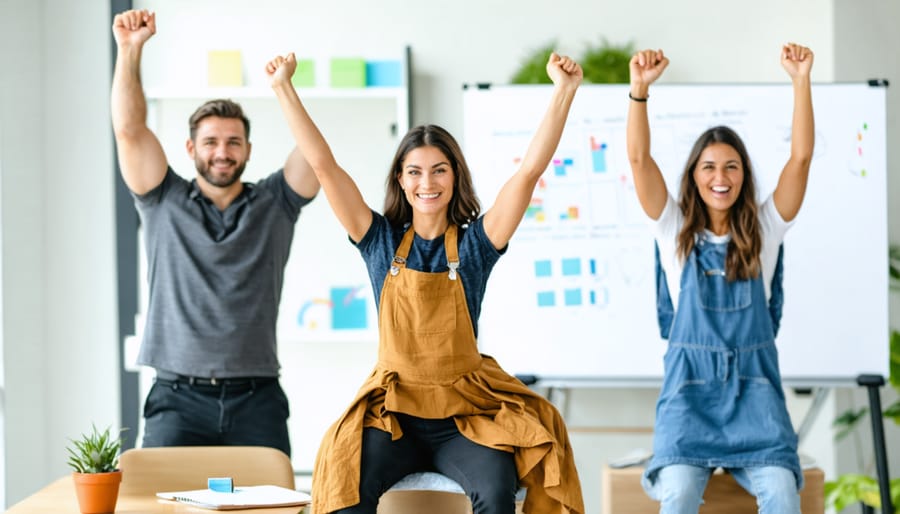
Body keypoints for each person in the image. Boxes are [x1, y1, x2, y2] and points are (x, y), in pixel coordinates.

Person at [267, 51, 585, 514]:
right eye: (415, 171)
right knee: (343, 483)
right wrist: (283, 88)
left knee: (496, 492)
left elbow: (528, 172)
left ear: (455, 177)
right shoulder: (378, 242)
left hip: (466, 417)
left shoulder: (476, 246)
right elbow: (324, 168)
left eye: (439, 170)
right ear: (401, 179)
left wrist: (564, 91)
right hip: (393, 415)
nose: (427, 182)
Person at [111, 9, 320, 457]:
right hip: (176, 398)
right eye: (210, 142)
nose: (221, 152)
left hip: (257, 398)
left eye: (233, 142)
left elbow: (317, 157)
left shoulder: (275, 202)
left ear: (247, 149)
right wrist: (130, 52)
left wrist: (283, 88)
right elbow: (128, 132)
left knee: (275, 507)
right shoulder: (162, 198)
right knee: (159, 508)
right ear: (191, 149)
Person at [625, 44, 814, 514]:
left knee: (782, 494)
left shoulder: (766, 231)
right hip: (689, 403)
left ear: (744, 174)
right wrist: (640, 92)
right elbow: (638, 160)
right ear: (693, 175)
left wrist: (801, 80)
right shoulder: (672, 230)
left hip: (756, 401)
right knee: (680, 494)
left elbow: (802, 159)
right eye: (709, 166)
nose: (720, 176)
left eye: (731, 165)